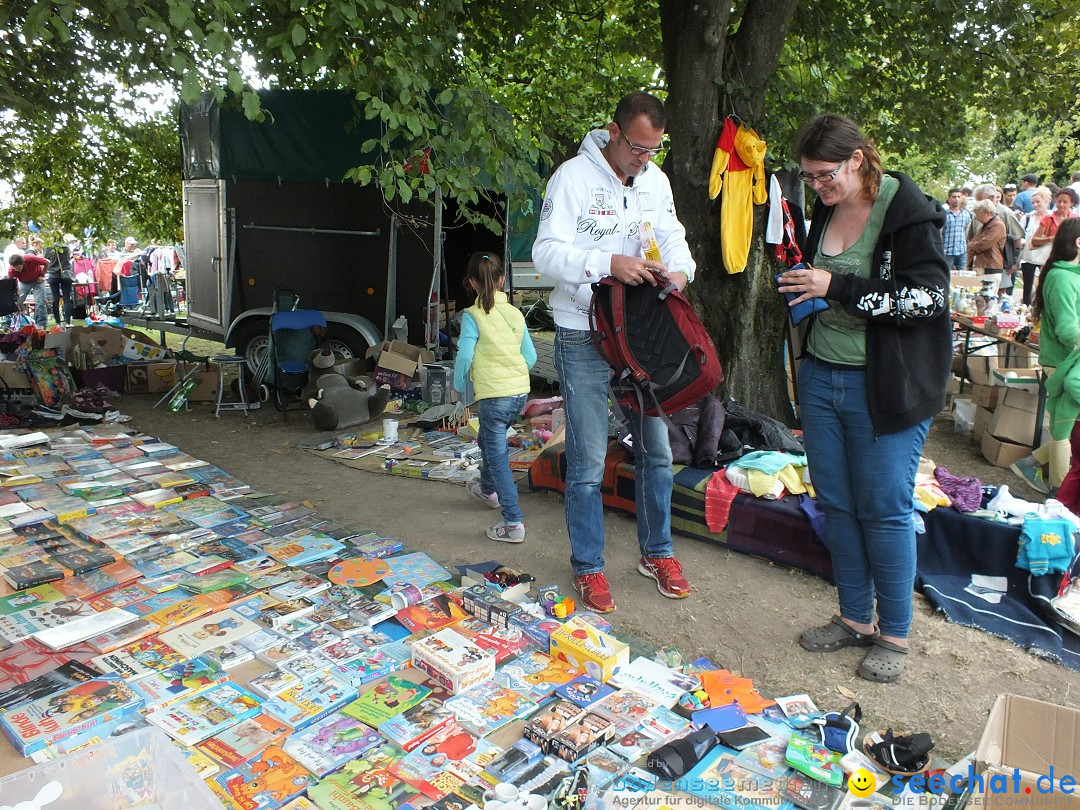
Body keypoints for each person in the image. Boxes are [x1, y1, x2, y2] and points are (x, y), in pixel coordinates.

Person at [779, 113, 950, 684]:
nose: (817, 187)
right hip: (823, 376)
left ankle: (895, 635)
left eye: (825, 174)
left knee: (883, 508)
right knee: (837, 503)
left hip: (887, 385)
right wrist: (803, 288)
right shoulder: (825, 208)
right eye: (809, 177)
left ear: (856, 159)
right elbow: (820, 279)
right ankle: (855, 619)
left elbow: (926, 302)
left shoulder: (908, 212)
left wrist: (837, 287)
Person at [533, 91, 697, 613]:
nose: (643, 159)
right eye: (636, 148)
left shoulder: (656, 181)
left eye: (653, 151)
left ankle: (658, 553)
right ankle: (588, 567)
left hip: (641, 335)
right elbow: (544, 253)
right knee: (585, 459)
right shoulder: (572, 178)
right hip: (582, 331)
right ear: (614, 130)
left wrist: (680, 270)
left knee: (658, 449)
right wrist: (606, 262)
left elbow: (673, 237)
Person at [455, 252, 537, 543]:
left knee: (498, 455)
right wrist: (511, 375)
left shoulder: (472, 315)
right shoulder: (515, 313)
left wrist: (457, 387)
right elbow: (531, 356)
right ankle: (488, 491)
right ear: (503, 279)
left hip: (494, 396)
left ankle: (513, 523)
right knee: (490, 441)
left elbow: (464, 355)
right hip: (518, 394)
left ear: (472, 282)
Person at [1026, 219, 1080, 510]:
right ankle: (1058, 494)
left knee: (1070, 428)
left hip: (1072, 363)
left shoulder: (1073, 274)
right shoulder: (1061, 278)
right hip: (1063, 364)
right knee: (1065, 429)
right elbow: (1067, 329)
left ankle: (1033, 462)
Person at [1017, 186, 1053, 305]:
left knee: (1044, 287)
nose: (1035, 205)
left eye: (1038, 202)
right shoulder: (1027, 217)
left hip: (1046, 258)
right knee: (1027, 289)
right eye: (1033, 202)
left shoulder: (1053, 218)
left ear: (1046, 200)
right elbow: (1020, 235)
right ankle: (1025, 310)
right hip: (1029, 257)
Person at [967, 199, 1007, 292]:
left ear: (987, 213)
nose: (976, 217)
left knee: (989, 298)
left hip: (992, 266)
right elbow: (974, 243)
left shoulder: (998, 225)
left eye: (978, 214)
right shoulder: (983, 227)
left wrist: (971, 245)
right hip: (981, 265)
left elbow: (983, 245)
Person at [7, 253, 49, 329]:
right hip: (23, 282)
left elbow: (47, 262)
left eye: (18, 267)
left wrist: (42, 274)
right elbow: (12, 283)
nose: (17, 270)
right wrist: (16, 290)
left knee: (40, 302)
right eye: (15, 268)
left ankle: (41, 324)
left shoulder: (31, 259)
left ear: (23, 263)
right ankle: (15, 322)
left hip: (37, 280)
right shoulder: (11, 271)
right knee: (17, 301)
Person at [1029, 187, 1079, 251]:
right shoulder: (1048, 219)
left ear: (1072, 203)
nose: (1061, 204)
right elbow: (1034, 240)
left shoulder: (1076, 219)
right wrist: (1049, 239)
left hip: (1071, 257)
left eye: (1065, 202)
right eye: (1059, 201)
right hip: (1051, 256)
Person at [43, 236, 74, 326]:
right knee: (66, 298)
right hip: (66, 274)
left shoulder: (48, 248)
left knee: (55, 298)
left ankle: (58, 322)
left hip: (53, 274)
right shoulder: (66, 248)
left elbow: (45, 259)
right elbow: (68, 260)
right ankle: (68, 321)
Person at [941, 188, 972, 272]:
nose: (956, 199)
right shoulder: (944, 214)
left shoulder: (966, 214)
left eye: (959, 197)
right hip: (947, 251)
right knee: (945, 274)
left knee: (962, 276)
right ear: (949, 199)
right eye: (954, 197)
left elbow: (967, 232)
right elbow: (940, 232)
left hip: (962, 251)